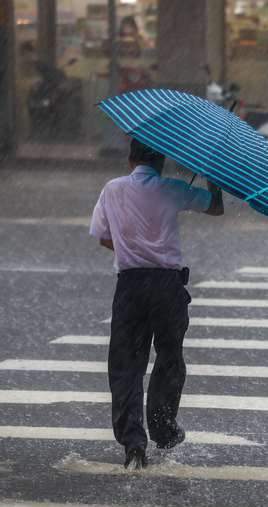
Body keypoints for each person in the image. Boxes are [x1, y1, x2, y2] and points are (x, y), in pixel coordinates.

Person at [90, 138, 224, 470]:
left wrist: (130, 247)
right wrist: (213, 173)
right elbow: (215, 206)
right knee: (169, 359)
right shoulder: (172, 188)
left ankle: (133, 443)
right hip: (167, 285)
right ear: (161, 162)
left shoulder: (113, 189)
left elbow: (102, 235)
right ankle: (163, 430)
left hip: (131, 285)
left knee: (126, 365)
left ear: (130, 159)